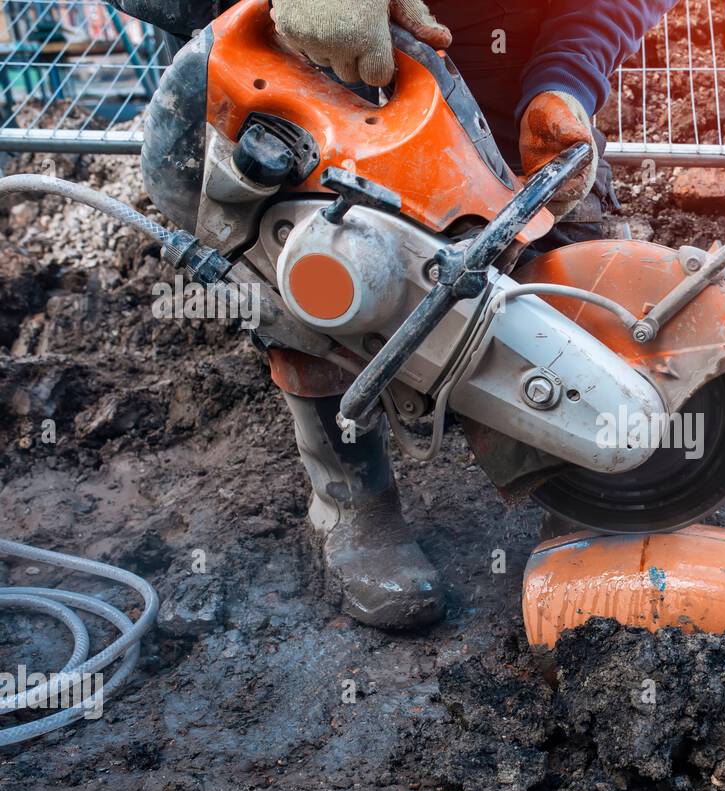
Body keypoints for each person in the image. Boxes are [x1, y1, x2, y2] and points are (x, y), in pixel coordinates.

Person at [113, 0, 678, 628]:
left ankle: (577, 482)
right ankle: (352, 497)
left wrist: (566, 80)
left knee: (547, 241)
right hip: (302, 49)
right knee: (322, 257)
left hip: (510, 58)